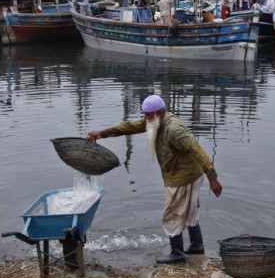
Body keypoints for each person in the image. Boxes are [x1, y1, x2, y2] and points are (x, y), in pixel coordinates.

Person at [87, 95, 223, 264]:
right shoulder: (155, 121)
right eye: (144, 114)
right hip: (188, 174)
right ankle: (196, 246)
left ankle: (177, 253)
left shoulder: (174, 130)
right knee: (190, 211)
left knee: (171, 214)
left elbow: (197, 150)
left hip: (183, 176)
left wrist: (213, 178)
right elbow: (129, 126)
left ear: (158, 113)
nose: (144, 118)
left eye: (147, 115)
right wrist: (102, 133)